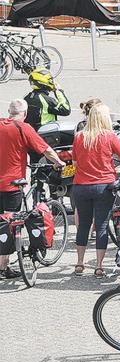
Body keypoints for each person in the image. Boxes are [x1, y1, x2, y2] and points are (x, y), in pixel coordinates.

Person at [0, 100, 63, 279]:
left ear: (8, 111)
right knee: (9, 223)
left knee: (0, 223)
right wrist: (58, 162)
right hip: (13, 185)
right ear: (25, 113)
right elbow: (46, 150)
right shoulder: (23, 127)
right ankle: (3, 267)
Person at [72, 103, 120, 277]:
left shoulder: (79, 137)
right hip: (103, 186)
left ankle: (79, 263)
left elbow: (76, 163)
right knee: (101, 226)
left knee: (83, 225)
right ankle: (99, 266)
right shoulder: (109, 136)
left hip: (81, 186)